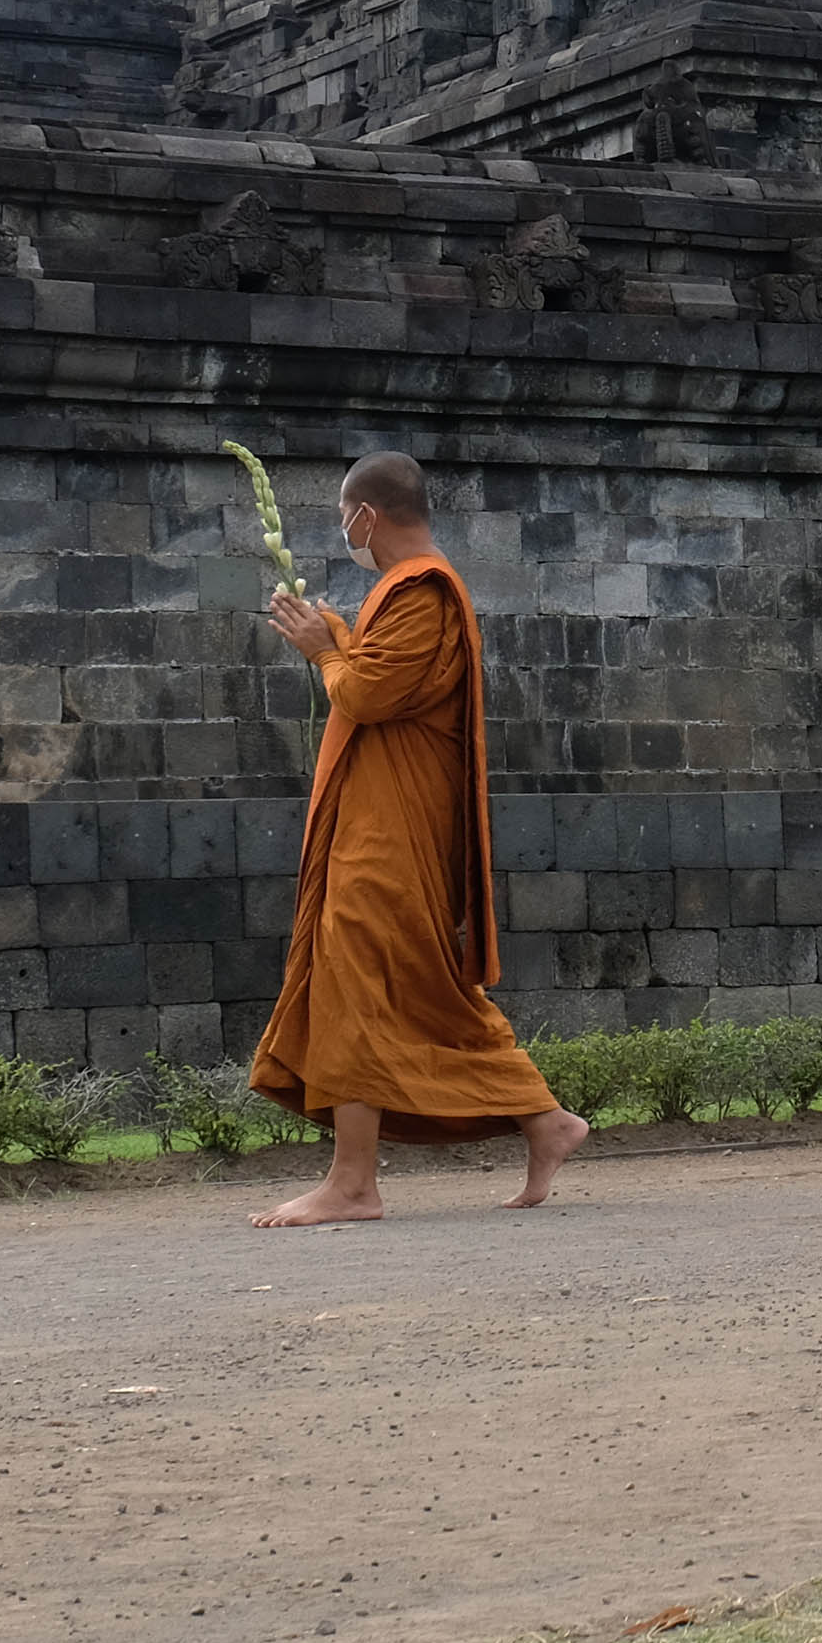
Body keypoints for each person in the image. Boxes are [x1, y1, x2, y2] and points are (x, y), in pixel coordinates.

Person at [246, 453, 588, 1224]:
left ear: (367, 515)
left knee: (353, 975)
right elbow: (374, 678)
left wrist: (324, 649)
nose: (345, 533)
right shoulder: (400, 592)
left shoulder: (423, 589)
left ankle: (354, 1184)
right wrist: (334, 632)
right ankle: (546, 1121)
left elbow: (365, 692)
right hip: (385, 819)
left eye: (346, 519)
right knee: (417, 987)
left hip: (392, 831)